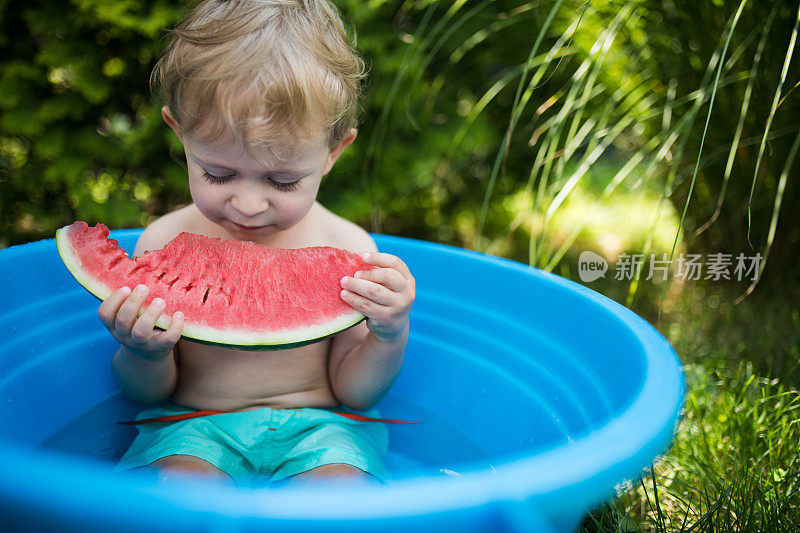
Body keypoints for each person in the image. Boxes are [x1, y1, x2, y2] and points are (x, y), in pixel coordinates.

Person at [101, 0, 414, 487]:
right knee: (180, 494)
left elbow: (354, 392)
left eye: (283, 181)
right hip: (193, 425)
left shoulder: (349, 248)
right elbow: (149, 394)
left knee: (339, 496)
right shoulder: (162, 245)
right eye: (218, 173)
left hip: (322, 429)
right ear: (178, 134)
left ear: (334, 153)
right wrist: (143, 354)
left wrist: (389, 335)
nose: (248, 205)